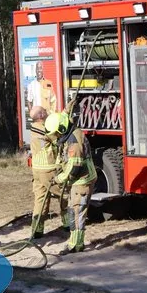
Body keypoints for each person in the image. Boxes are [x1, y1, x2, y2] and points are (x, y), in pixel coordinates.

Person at [47, 109, 97, 255]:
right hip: (79, 181)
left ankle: (75, 245)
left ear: (62, 129)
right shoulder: (70, 134)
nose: (56, 136)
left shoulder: (74, 142)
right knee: (73, 211)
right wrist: (58, 168)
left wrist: (59, 178)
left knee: (77, 213)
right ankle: (76, 243)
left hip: (82, 181)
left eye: (57, 133)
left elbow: (74, 167)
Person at [28, 105, 64, 239]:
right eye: (44, 110)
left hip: (37, 170)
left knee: (40, 199)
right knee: (64, 194)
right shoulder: (45, 130)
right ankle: (68, 223)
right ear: (41, 115)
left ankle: (37, 230)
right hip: (48, 169)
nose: (47, 111)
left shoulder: (33, 128)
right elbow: (59, 138)